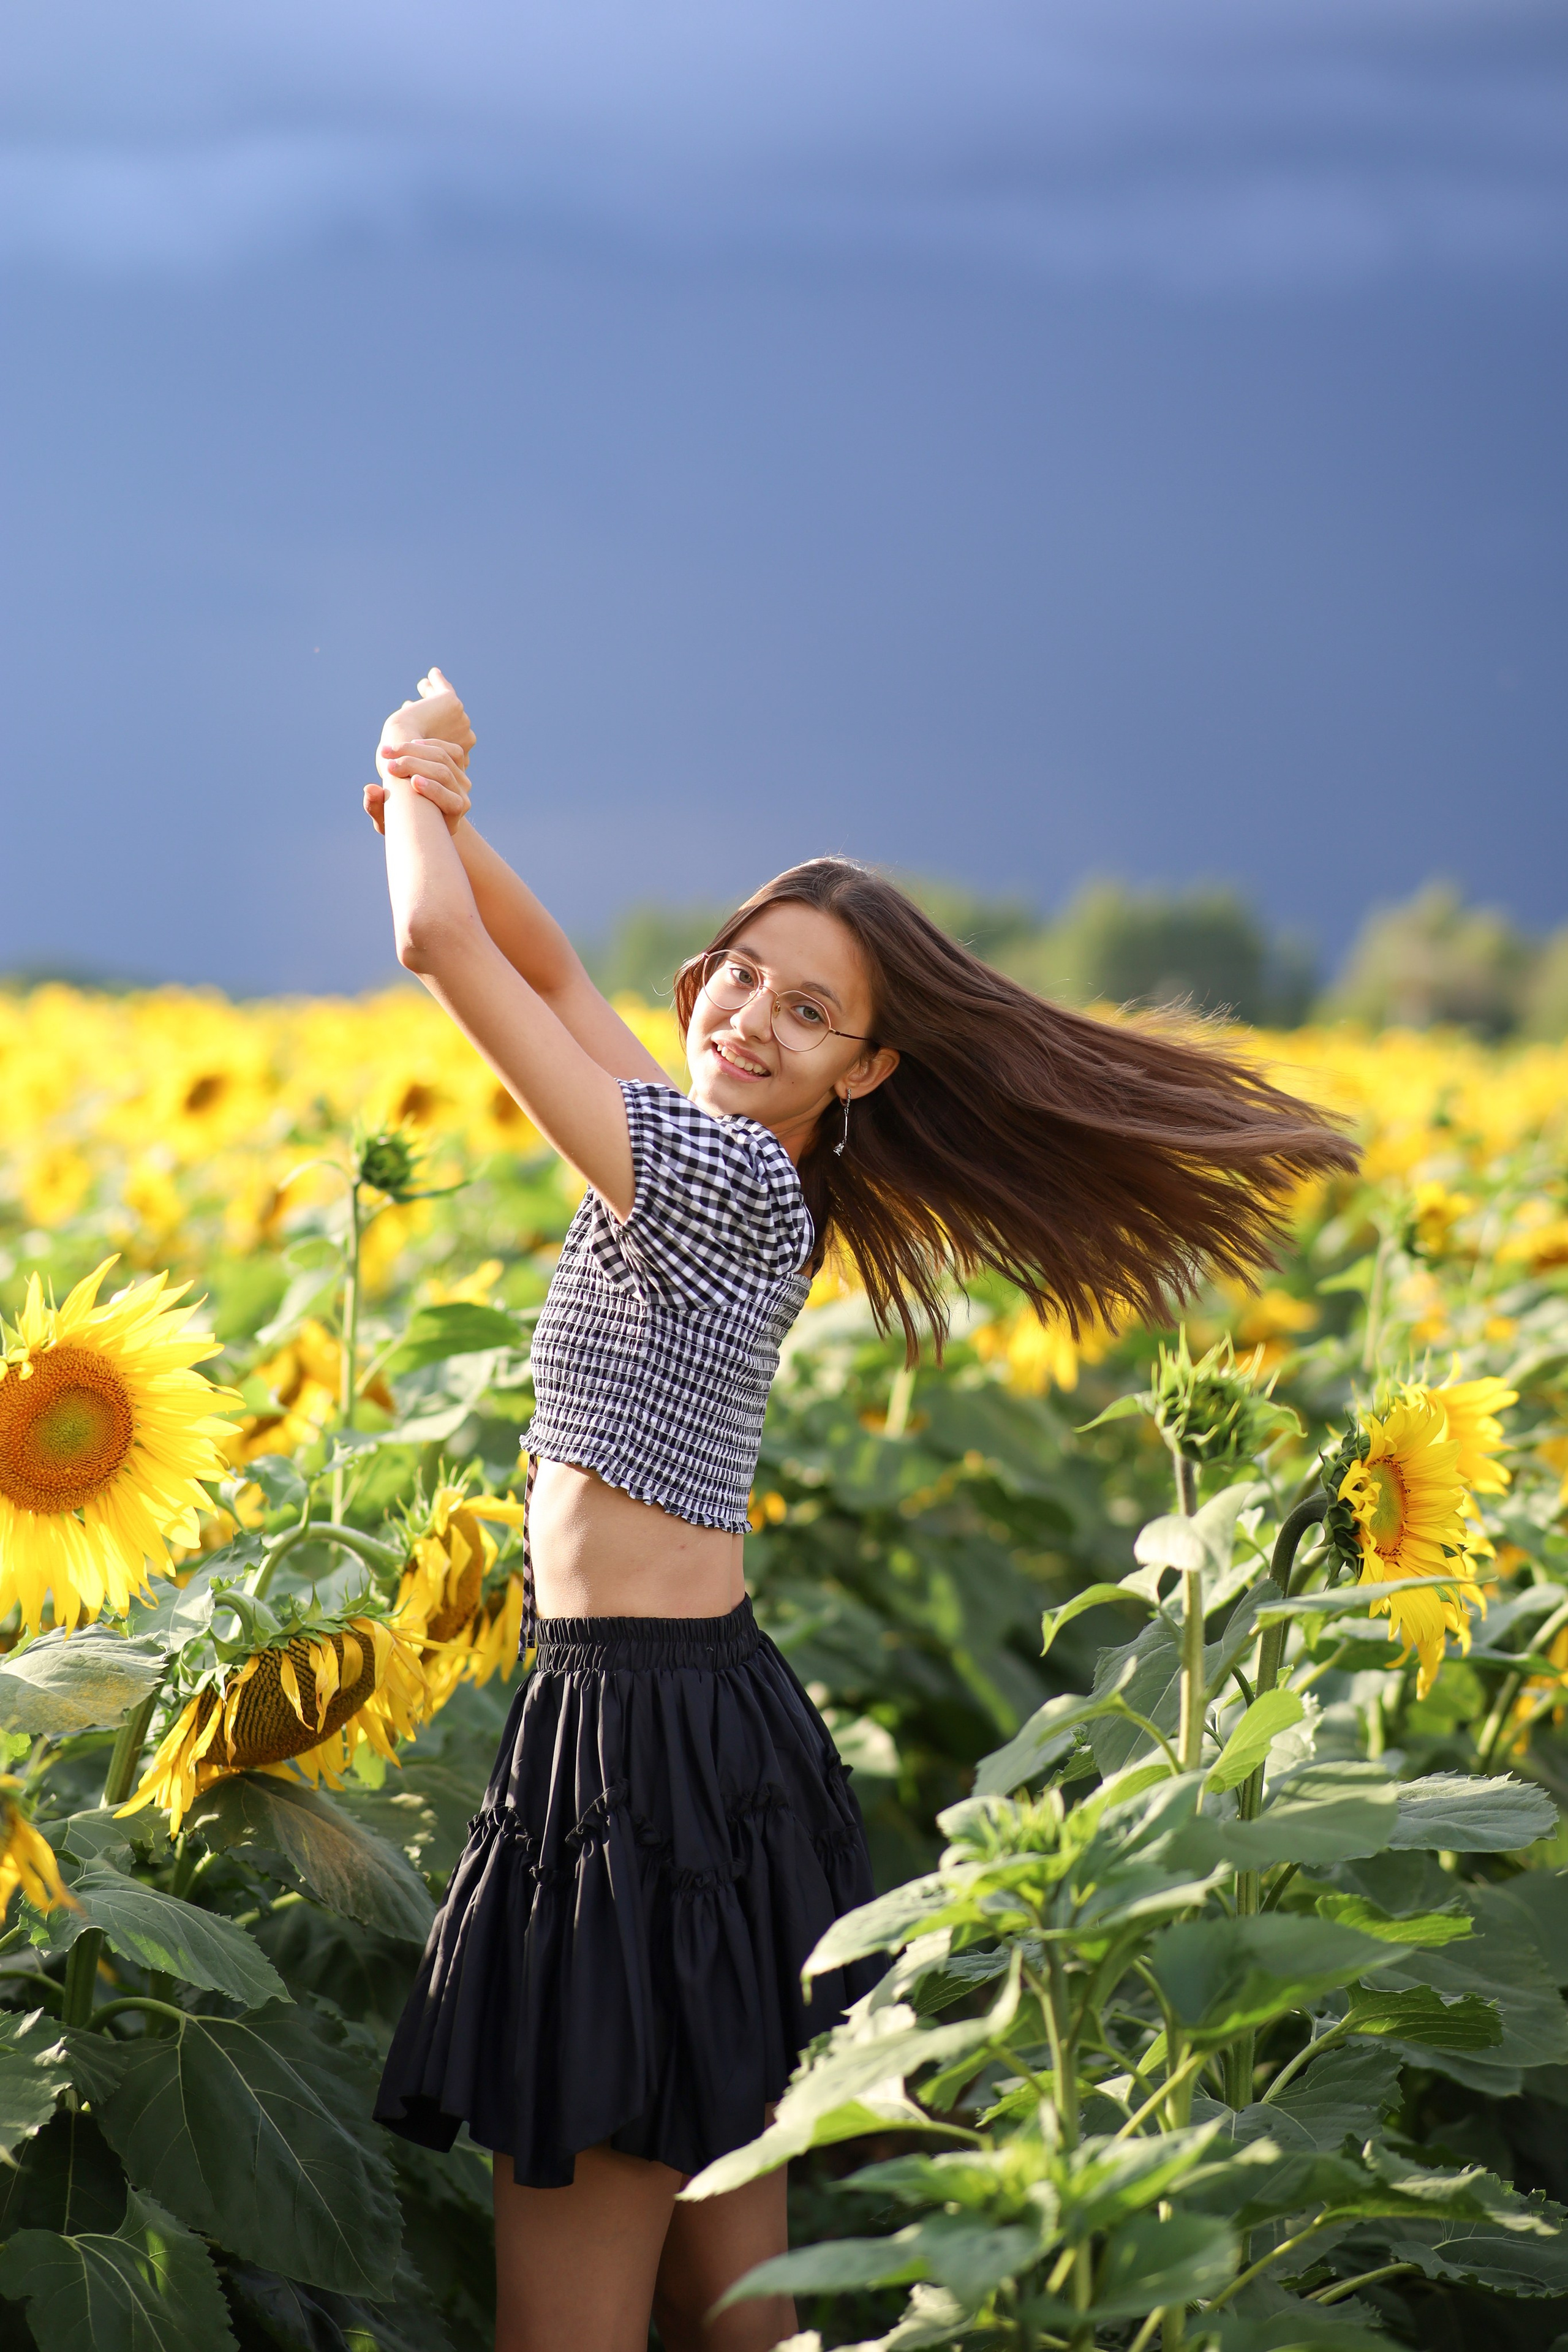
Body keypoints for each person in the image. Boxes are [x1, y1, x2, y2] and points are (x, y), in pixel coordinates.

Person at [366, 671, 1357, 2352]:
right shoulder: (700, 1147)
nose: (748, 1015)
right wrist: (446, 817)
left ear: (870, 1068)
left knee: (578, 2328)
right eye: (742, 974)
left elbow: (443, 955)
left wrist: (404, 785)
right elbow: (537, 961)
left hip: (642, 1753)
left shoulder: (720, 1178)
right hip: (670, 1730)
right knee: (738, 2310)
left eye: (805, 1012)